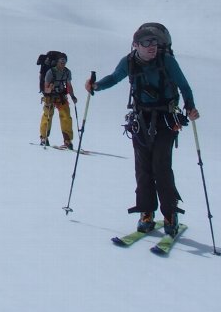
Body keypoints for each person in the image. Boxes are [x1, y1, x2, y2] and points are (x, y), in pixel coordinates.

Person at [85, 22, 200, 236]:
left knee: (161, 166)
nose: (152, 46)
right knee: (143, 168)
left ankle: (170, 213)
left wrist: (190, 107)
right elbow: (114, 78)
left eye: (154, 42)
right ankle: (146, 212)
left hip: (166, 119)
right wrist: (97, 86)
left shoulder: (167, 61)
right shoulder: (129, 62)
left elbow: (184, 86)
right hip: (140, 120)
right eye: (146, 43)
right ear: (135, 45)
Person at [39, 51, 77, 148]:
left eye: (64, 62)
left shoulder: (67, 72)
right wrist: (50, 89)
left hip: (61, 96)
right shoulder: (50, 72)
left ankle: (67, 140)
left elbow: (69, 85)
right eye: (61, 62)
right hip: (49, 97)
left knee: (66, 116)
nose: (63, 64)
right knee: (47, 115)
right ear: (57, 62)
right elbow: (45, 88)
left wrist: (72, 96)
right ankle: (43, 137)